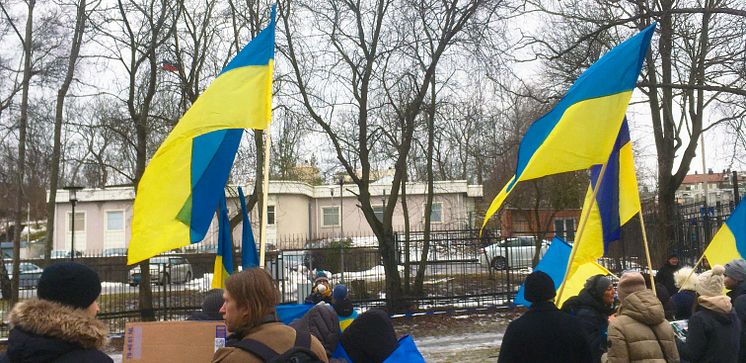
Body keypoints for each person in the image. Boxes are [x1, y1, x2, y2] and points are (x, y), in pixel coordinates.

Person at [0, 262, 112, 363]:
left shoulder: (13, 351)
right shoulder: (94, 360)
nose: (98, 308)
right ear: (78, 306)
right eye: (94, 300)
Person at [212, 268, 328, 363]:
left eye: (227, 301)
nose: (221, 309)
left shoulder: (233, 358)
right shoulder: (312, 345)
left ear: (246, 308)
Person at [498, 271, 593, 363]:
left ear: (528, 295)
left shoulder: (516, 328)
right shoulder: (573, 323)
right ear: (553, 293)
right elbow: (586, 357)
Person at [604, 272, 679, 363]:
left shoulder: (618, 326)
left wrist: (605, 358)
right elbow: (674, 359)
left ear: (621, 296)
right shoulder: (664, 322)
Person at [676, 265, 741, 363]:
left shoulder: (700, 319)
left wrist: (674, 339)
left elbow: (690, 354)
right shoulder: (732, 312)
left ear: (699, 292)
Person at [561, 274, 616, 362]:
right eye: (609, 289)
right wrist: (610, 327)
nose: (614, 292)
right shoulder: (586, 314)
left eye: (613, 288)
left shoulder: (600, 308)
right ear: (599, 293)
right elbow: (591, 346)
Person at [724, 259, 746, 362]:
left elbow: (739, 332)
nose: (723, 279)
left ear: (736, 278)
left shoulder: (740, 300)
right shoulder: (738, 295)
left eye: (726, 276)